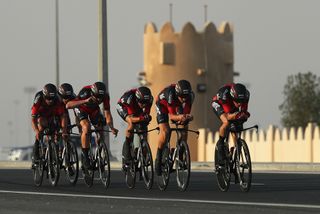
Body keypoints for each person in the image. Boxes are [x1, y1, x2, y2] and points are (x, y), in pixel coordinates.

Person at [66, 81, 118, 170]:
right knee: (86, 127)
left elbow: (107, 113)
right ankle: (85, 156)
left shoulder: (105, 96)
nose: (98, 100)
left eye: (100, 98)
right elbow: (68, 105)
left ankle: (99, 152)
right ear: (92, 93)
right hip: (81, 108)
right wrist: (85, 101)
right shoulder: (85, 92)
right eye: (96, 97)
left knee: (101, 128)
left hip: (94, 110)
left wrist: (112, 127)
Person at [154, 79, 194, 175]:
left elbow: (186, 112)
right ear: (177, 93)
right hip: (162, 105)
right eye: (181, 97)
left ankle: (180, 153)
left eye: (185, 97)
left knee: (184, 127)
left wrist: (186, 117)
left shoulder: (191, 96)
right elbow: (172, 116)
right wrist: (181, 116)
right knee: (165, 131)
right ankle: (158, 157)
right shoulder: (171, 94)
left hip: (177, 106)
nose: (183, 99)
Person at [211, 83, 250, 165]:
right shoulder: (224, 94)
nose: (239, 104)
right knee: (226, 122)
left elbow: (244, 112)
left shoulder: (246, 95)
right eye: (237, 101)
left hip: (230, 105)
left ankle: (235, 156)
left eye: (241, 102)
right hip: (219, 104)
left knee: (237, 127)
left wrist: (244, 115)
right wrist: (237, 115)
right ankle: (221, 145)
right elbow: (228, 116)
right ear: (232, 97)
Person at [31, 83, 68, 164]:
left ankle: (55, 151)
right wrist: (37, 131)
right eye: (48, 98)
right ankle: (36, 153)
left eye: (52, 98)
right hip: (42, 114)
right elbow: (33, 119)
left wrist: (64, 130)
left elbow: (63, 116)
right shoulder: (38, 98)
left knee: (56, 129)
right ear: (44, 96)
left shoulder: (58, 99)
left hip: (53, 114)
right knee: (41, 127)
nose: (50, 100)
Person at [116, 86, 153, 166]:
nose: (143, 105)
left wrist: (146, 118)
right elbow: (132, 118)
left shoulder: (149, 100)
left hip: (136, 108)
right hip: (124, 107)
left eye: (145, 103)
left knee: (143, 127)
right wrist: (141, 118)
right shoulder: (129, 99)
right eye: (141, 102)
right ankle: (128, 144)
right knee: (131, 123)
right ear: (137, 99)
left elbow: (146, 113)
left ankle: (142, 151)